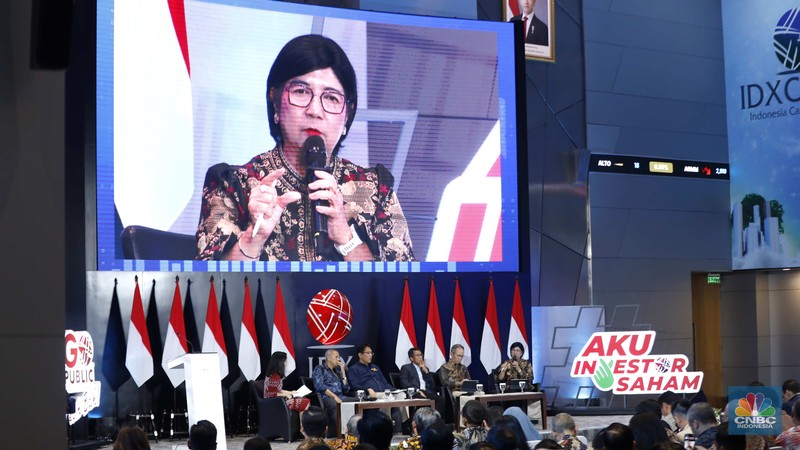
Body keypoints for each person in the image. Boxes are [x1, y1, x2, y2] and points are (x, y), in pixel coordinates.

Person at [196, 34, 414, 262]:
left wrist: (346, 237)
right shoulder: (232, 185)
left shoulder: (375, 190)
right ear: (275, 100)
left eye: (331, 98)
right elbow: (208, 286)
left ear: (347, 114)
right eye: (301, 92)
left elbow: (404, 287)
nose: (315, 110)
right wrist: (254, 239)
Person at [348, 344, 403, 432]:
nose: (370, 355)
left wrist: (394, 389)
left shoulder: (375, 367)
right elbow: (354, 385)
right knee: (389, 399)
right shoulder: (353, 369)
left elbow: (384, 383)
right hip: (370, 395)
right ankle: (386, 427)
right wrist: (368, 389)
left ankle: (403, 424)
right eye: (368, 353)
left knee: (401, 395)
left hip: (385, 393)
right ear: (360, 355)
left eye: (371, 353)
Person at [313, 349, 350, 437]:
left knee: (356, 401)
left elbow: (346, 389)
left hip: (340, 396)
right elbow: (320, 386)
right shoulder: (320, 368)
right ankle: (340, 434)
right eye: (336, 357)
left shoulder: (337, 372)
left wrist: (343, 372)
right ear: (328, 358)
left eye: (339, 357)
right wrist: (334, 397)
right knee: (334, 404)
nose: (338, 359)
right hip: (326, 397)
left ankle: (353, 431)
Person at [400, 348, 445, 414]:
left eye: (421, 355)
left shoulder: (424, 368)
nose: (420, 357)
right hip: (415, 393)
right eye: (417, 355)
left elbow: (432, 385)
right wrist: (418, 390)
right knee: (424, 401)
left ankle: (434, 420)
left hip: (426, 392)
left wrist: (426, 372)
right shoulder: (406, 368)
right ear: (411, 359)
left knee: (441, 400)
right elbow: (404, 384)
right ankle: (424, 421)